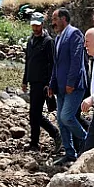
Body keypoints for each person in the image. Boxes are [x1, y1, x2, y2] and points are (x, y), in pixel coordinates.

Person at [48, 8, 88, 165]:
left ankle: (86, 140)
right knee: (60, 119)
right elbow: (56, 65)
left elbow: (76, 61)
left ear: (64, 18)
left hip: (74, 86)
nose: (53, 22)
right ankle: (70, 153)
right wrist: (52, 84)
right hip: (60, 87)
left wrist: (71, 83)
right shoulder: (58, 38)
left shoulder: (75, 34)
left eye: (55, 18)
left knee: (67, 117)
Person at [21, 12, 62, 153]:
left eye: (37, 26)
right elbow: (28, 62)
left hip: (43, 83)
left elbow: (52, 63)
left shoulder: (48, 41)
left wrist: (50, 82)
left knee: (35, 114)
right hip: (33, 81)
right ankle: (34, 143)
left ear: (42, 25)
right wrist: (24, 80)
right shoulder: (30, 41)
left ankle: (55, 133)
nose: (35, 28)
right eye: (33, 25)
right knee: (33, 114)